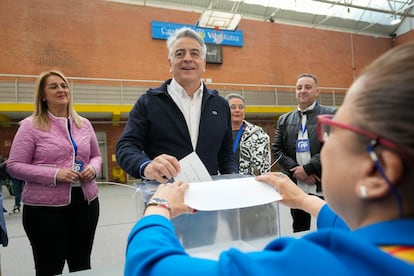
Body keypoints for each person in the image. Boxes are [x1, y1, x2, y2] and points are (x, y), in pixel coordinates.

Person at [124, 42, 414, 275]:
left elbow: (150, 267)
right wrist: (303, 200)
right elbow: (353, 231)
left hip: (176, 207)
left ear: (378, 172)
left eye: (335, 130)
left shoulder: (313, 264)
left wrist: (159, 206)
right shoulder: (392, 250)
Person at [116, 27, 235, 248]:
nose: (187, 59)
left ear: (203, 63)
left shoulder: (220, 105)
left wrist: (232, 185)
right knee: (164, 262)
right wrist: (146, 165)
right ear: (170, 62)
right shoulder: (149, 102)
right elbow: (125, 146)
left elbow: (226, 154)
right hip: (163, 202)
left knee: (201, 259)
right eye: (180, 54)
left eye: (194, 53)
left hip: (205, 204)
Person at [6, 70, 102, 275]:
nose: (61, 89)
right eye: (53, 86)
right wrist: (55, 174)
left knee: (82, 265)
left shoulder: (83, 124)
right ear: (42, 95)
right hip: (44, 210)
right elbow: (14, 166)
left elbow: (96, 156)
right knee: (49, 267)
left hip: (85, 204)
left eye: (64, 85)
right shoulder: (30, 126)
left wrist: (93, 168)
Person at [273, 73, 336, 232]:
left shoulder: (329, 115)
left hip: (322, 181)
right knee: (300, 228)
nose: (303, 91)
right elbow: (276, 149)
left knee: (328, 226)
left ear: (317, 91)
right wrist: (297, 171)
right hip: (297, 183)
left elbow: (332, 147)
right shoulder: (284, 120)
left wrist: (308, 169)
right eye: (299, 87)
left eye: (308, 87)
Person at [225, 93, 276, 240]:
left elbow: (263, 166)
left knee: (257, 234)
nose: (237, 110)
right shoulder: (218, 132)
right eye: (232, 107)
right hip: (228, 192)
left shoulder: (258, 134)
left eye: (241, 107)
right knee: (234, 234)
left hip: (252, 192)